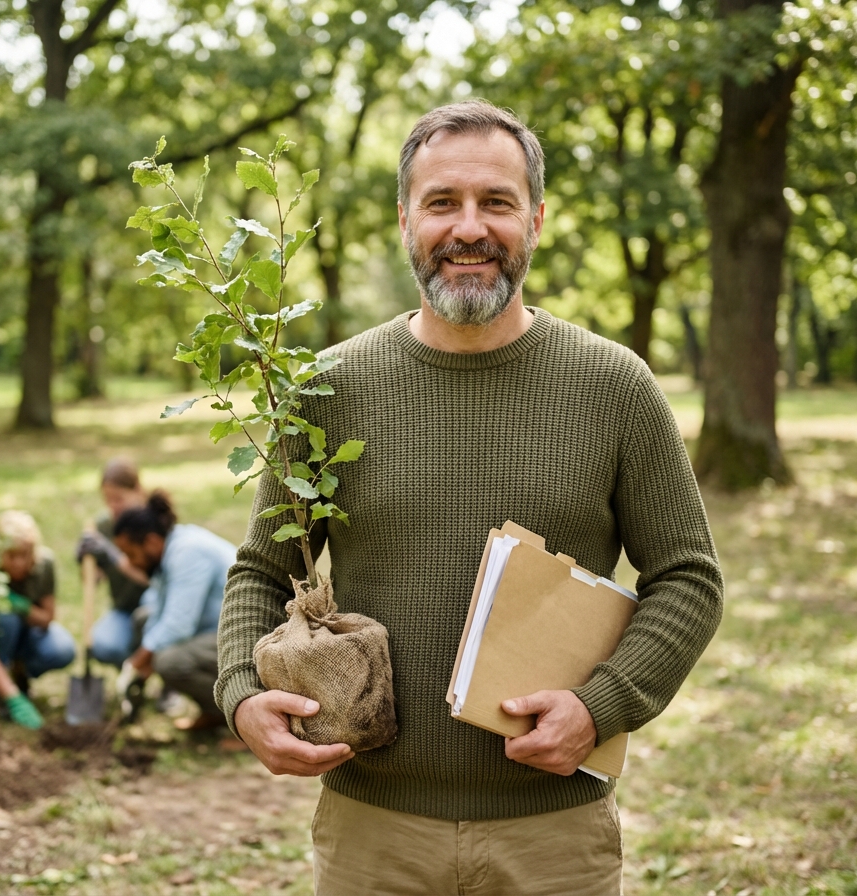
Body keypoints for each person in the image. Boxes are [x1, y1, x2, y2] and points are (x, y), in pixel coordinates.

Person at [215, 100, 724, 896]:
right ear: (405, 219)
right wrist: (242, 696)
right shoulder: (325, 389)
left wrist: (602, 707)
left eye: (497, 202)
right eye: (442, 203)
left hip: (554, 834)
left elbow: (689, 578)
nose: (469, 228)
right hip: (370, 833)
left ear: (537, 219)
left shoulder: (614, 385)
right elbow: (260, 569)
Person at [108, 493, 236, 731]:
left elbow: (178, 624)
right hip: (215, 627)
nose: (130, 562)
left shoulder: (188, 553)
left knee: (169, 662)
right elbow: (158, 612)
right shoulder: (171, 550)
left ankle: (241, 721)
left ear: (152, 542)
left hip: (250, 636)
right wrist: (141, 664)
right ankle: (215, 712)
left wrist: (136, 663)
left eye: (131, 554)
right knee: (143, 620)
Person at [0, 510, 75, 730]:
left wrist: (23, 606)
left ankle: (18, 673)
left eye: (25, 555)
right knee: (6, 619)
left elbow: (47, 618)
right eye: (11, 555)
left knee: (62, 650)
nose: (19, 562)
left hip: (27, 633)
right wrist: (12, 697)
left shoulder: (44, 564)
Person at [76, 459, 152, 668]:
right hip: (123, 610)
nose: (113, 506)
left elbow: (150, 579)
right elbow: (94, 580)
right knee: (105, 645)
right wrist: (85, 561)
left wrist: (112, 554)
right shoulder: (103, 525)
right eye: (108, 499)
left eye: (118, 499)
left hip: (155, 607)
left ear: (137, 490)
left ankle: (164, 683)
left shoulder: (153, 522)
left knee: (150, 624)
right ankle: (129, 676)